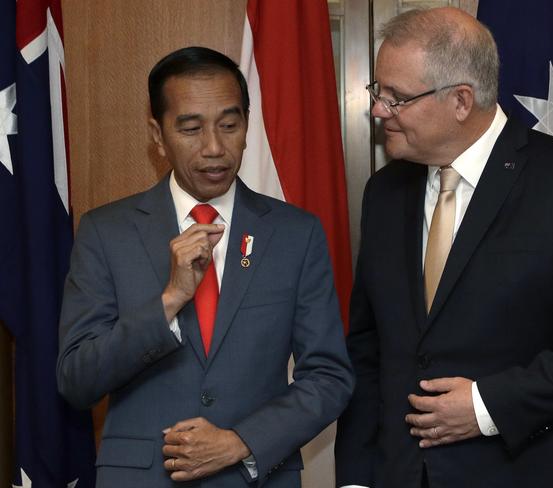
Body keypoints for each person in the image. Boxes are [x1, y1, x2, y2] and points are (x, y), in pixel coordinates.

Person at [335, 7, 553, 488]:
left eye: (396, 98)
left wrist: (487, 406)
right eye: (379, 93)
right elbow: (368, 348)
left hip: (530, 470)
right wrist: (355, 479)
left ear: (461, 100)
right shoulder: (384, 191)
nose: (378, 110)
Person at [57, 46, 354, 488]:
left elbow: (329, 376)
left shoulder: (296, 234)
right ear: (158, 136)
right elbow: (77, 379)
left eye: (229, 125)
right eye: (191, 128)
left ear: (247, 127)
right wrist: (170, 300)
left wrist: (241, 441)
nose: (215, 148)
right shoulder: (106, 232)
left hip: (256, 477)